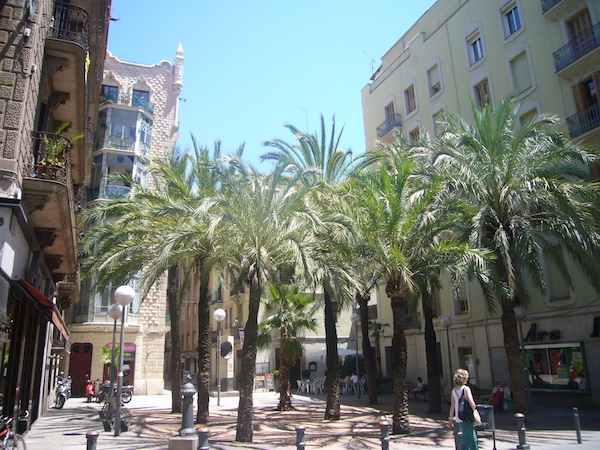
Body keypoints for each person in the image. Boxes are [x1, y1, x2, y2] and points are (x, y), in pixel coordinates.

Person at [448, 368, 479, 449]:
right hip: (467, 416)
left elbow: (452, 406)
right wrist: (475, 408)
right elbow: (472, 403)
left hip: (459, 416)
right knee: (467, 437)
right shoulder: (466, 389)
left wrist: (450, 419)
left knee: (472, 436)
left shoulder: (454, 390)